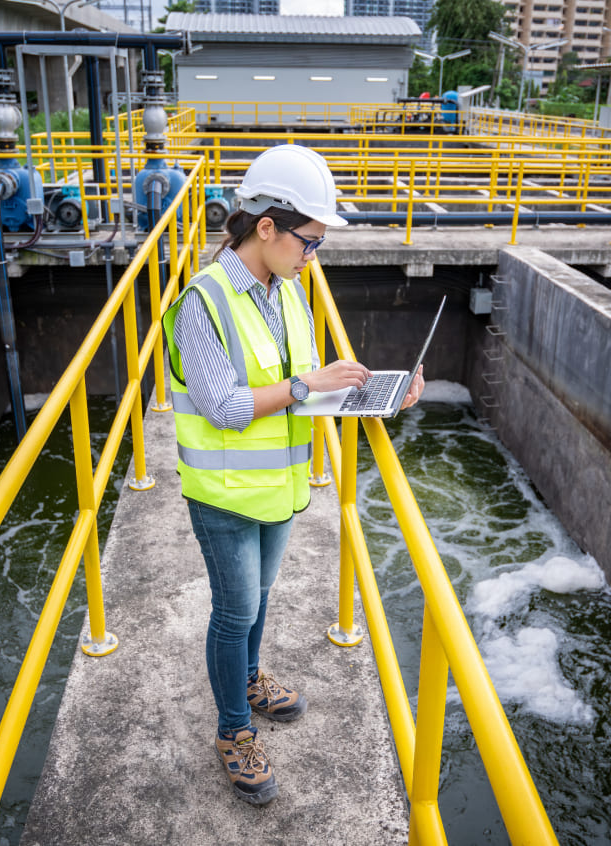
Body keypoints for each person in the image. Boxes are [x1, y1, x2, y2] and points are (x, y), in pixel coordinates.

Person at [162, 144, 425, 806]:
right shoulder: (205, 300)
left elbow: (303, 387)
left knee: (261, 596)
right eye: (309, 241)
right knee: (236, 608)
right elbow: (225, 407)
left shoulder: (287, 292)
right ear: (267, 228)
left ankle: (249, 676)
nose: (315, 256)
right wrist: (308, 386)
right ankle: (232, 731)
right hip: (222, 492)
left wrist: (379, 393)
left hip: (278, 486)